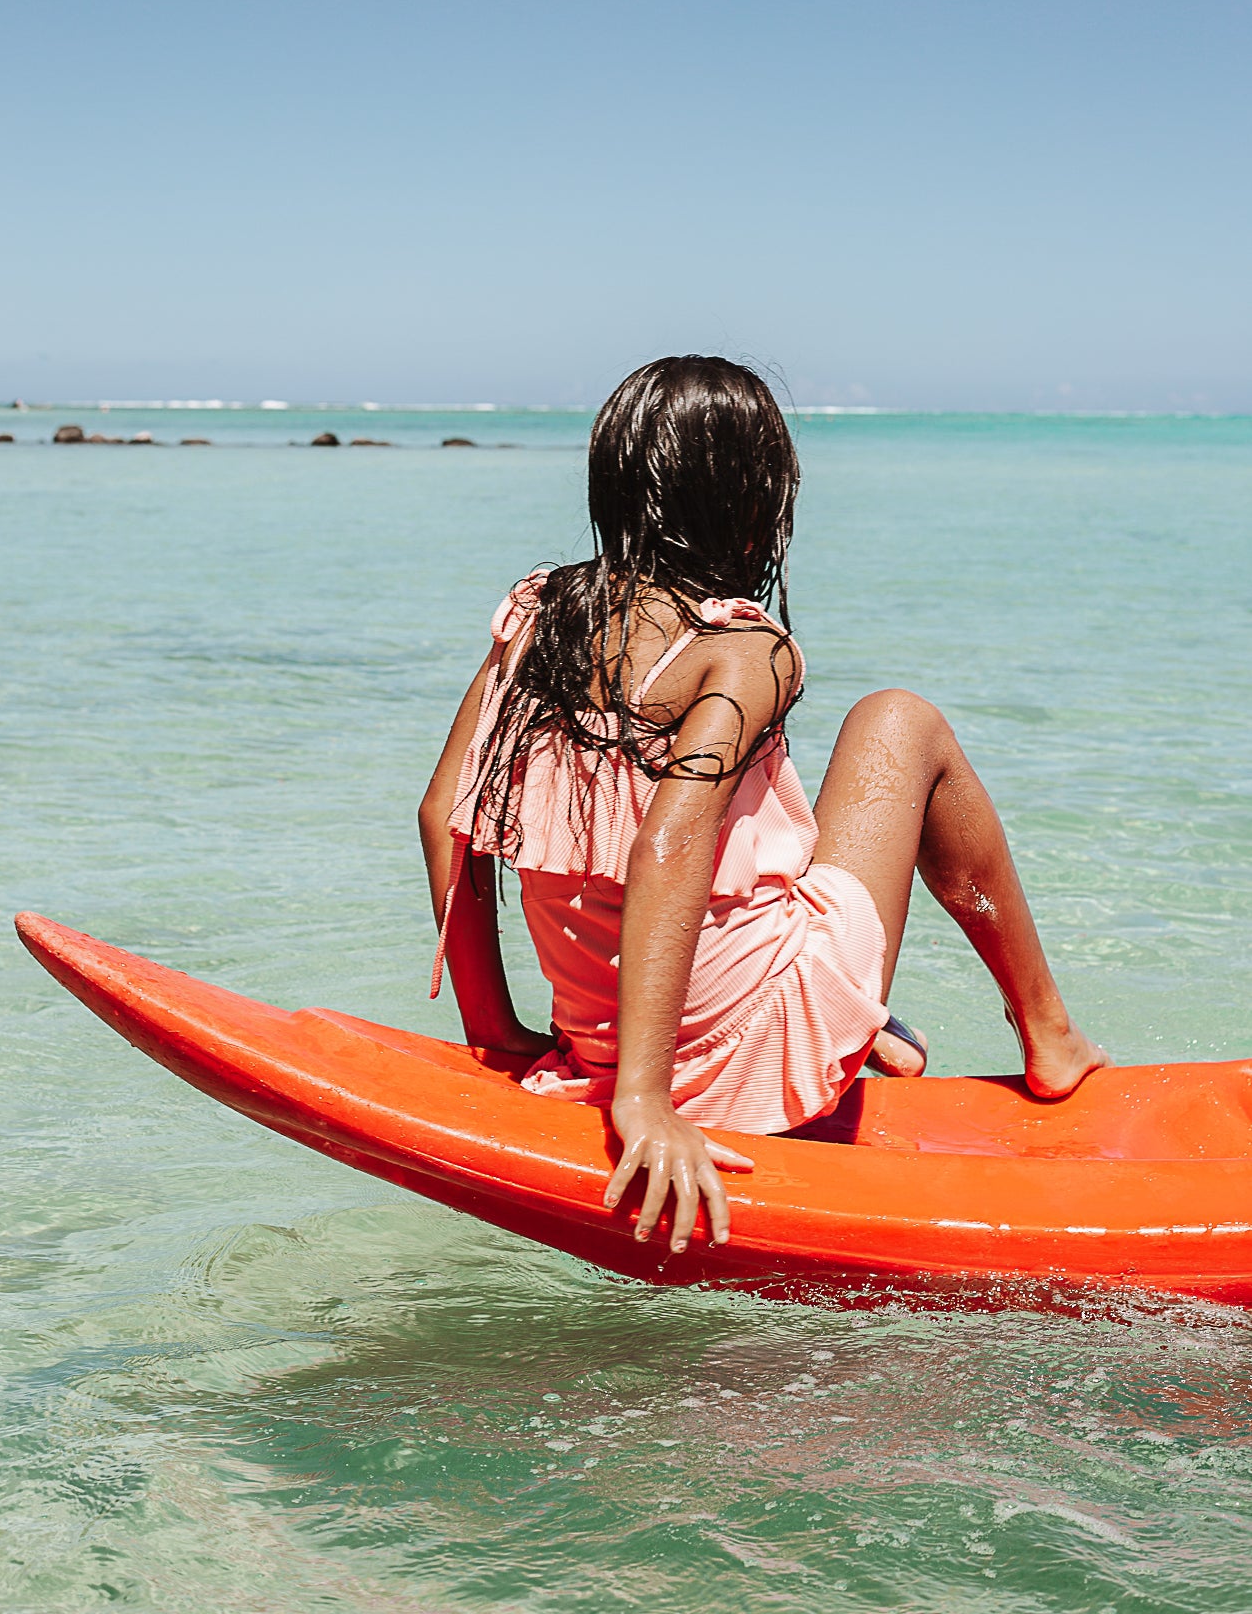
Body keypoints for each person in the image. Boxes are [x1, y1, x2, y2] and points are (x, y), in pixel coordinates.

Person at [419, 356, 1109, 1257]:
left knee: (777, 837)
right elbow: (667, 850)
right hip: (735, 1053)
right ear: (754, 501)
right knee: (899, 723)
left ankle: (869, 1033)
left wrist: (495, 1031)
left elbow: (445, 815)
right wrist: (643, 1105)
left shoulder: (537, 612)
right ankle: (1048, 1036)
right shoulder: (743, 651)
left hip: (599, 1044)